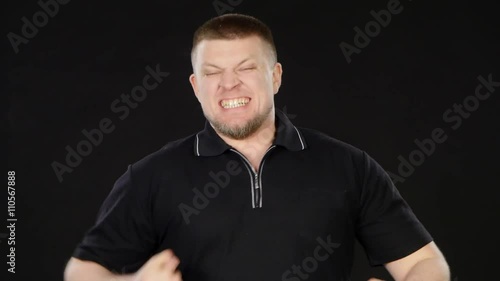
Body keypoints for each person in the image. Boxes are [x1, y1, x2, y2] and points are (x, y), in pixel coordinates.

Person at [64, 13, 450, 281]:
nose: (229, 85)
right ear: (197, 87)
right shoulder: (151, 177)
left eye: (246, 69)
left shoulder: (349, 167)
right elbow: (82, 271)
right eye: (213, 73)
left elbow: (426, 263)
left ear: (275, 76)